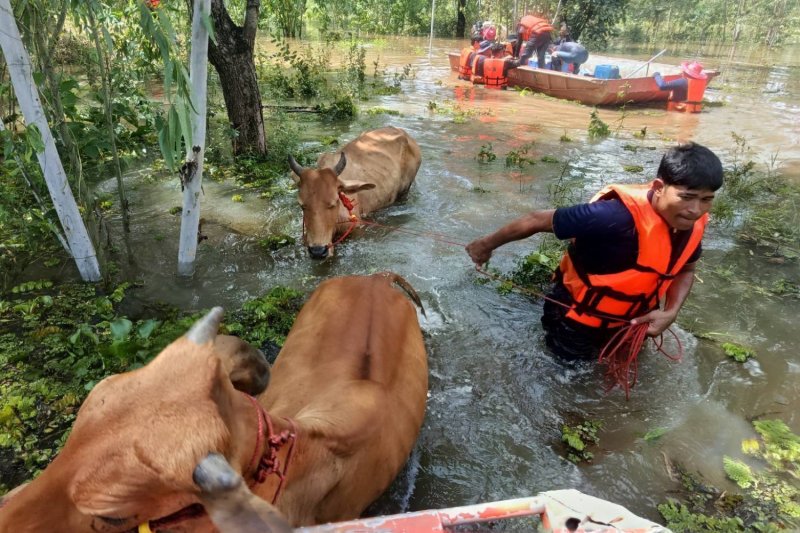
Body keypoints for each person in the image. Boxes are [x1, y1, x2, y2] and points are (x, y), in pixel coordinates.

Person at [465, 143, 723, 360]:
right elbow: (535, 220)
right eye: (686, 197)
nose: (696, 209)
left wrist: (671, 311)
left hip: (632, 322)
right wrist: (485, 245)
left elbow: (687, 269)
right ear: (658, 187)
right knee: (569, 381)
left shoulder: (690, 225)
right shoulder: (612, 216)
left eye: (706, 199)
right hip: (575, 321)